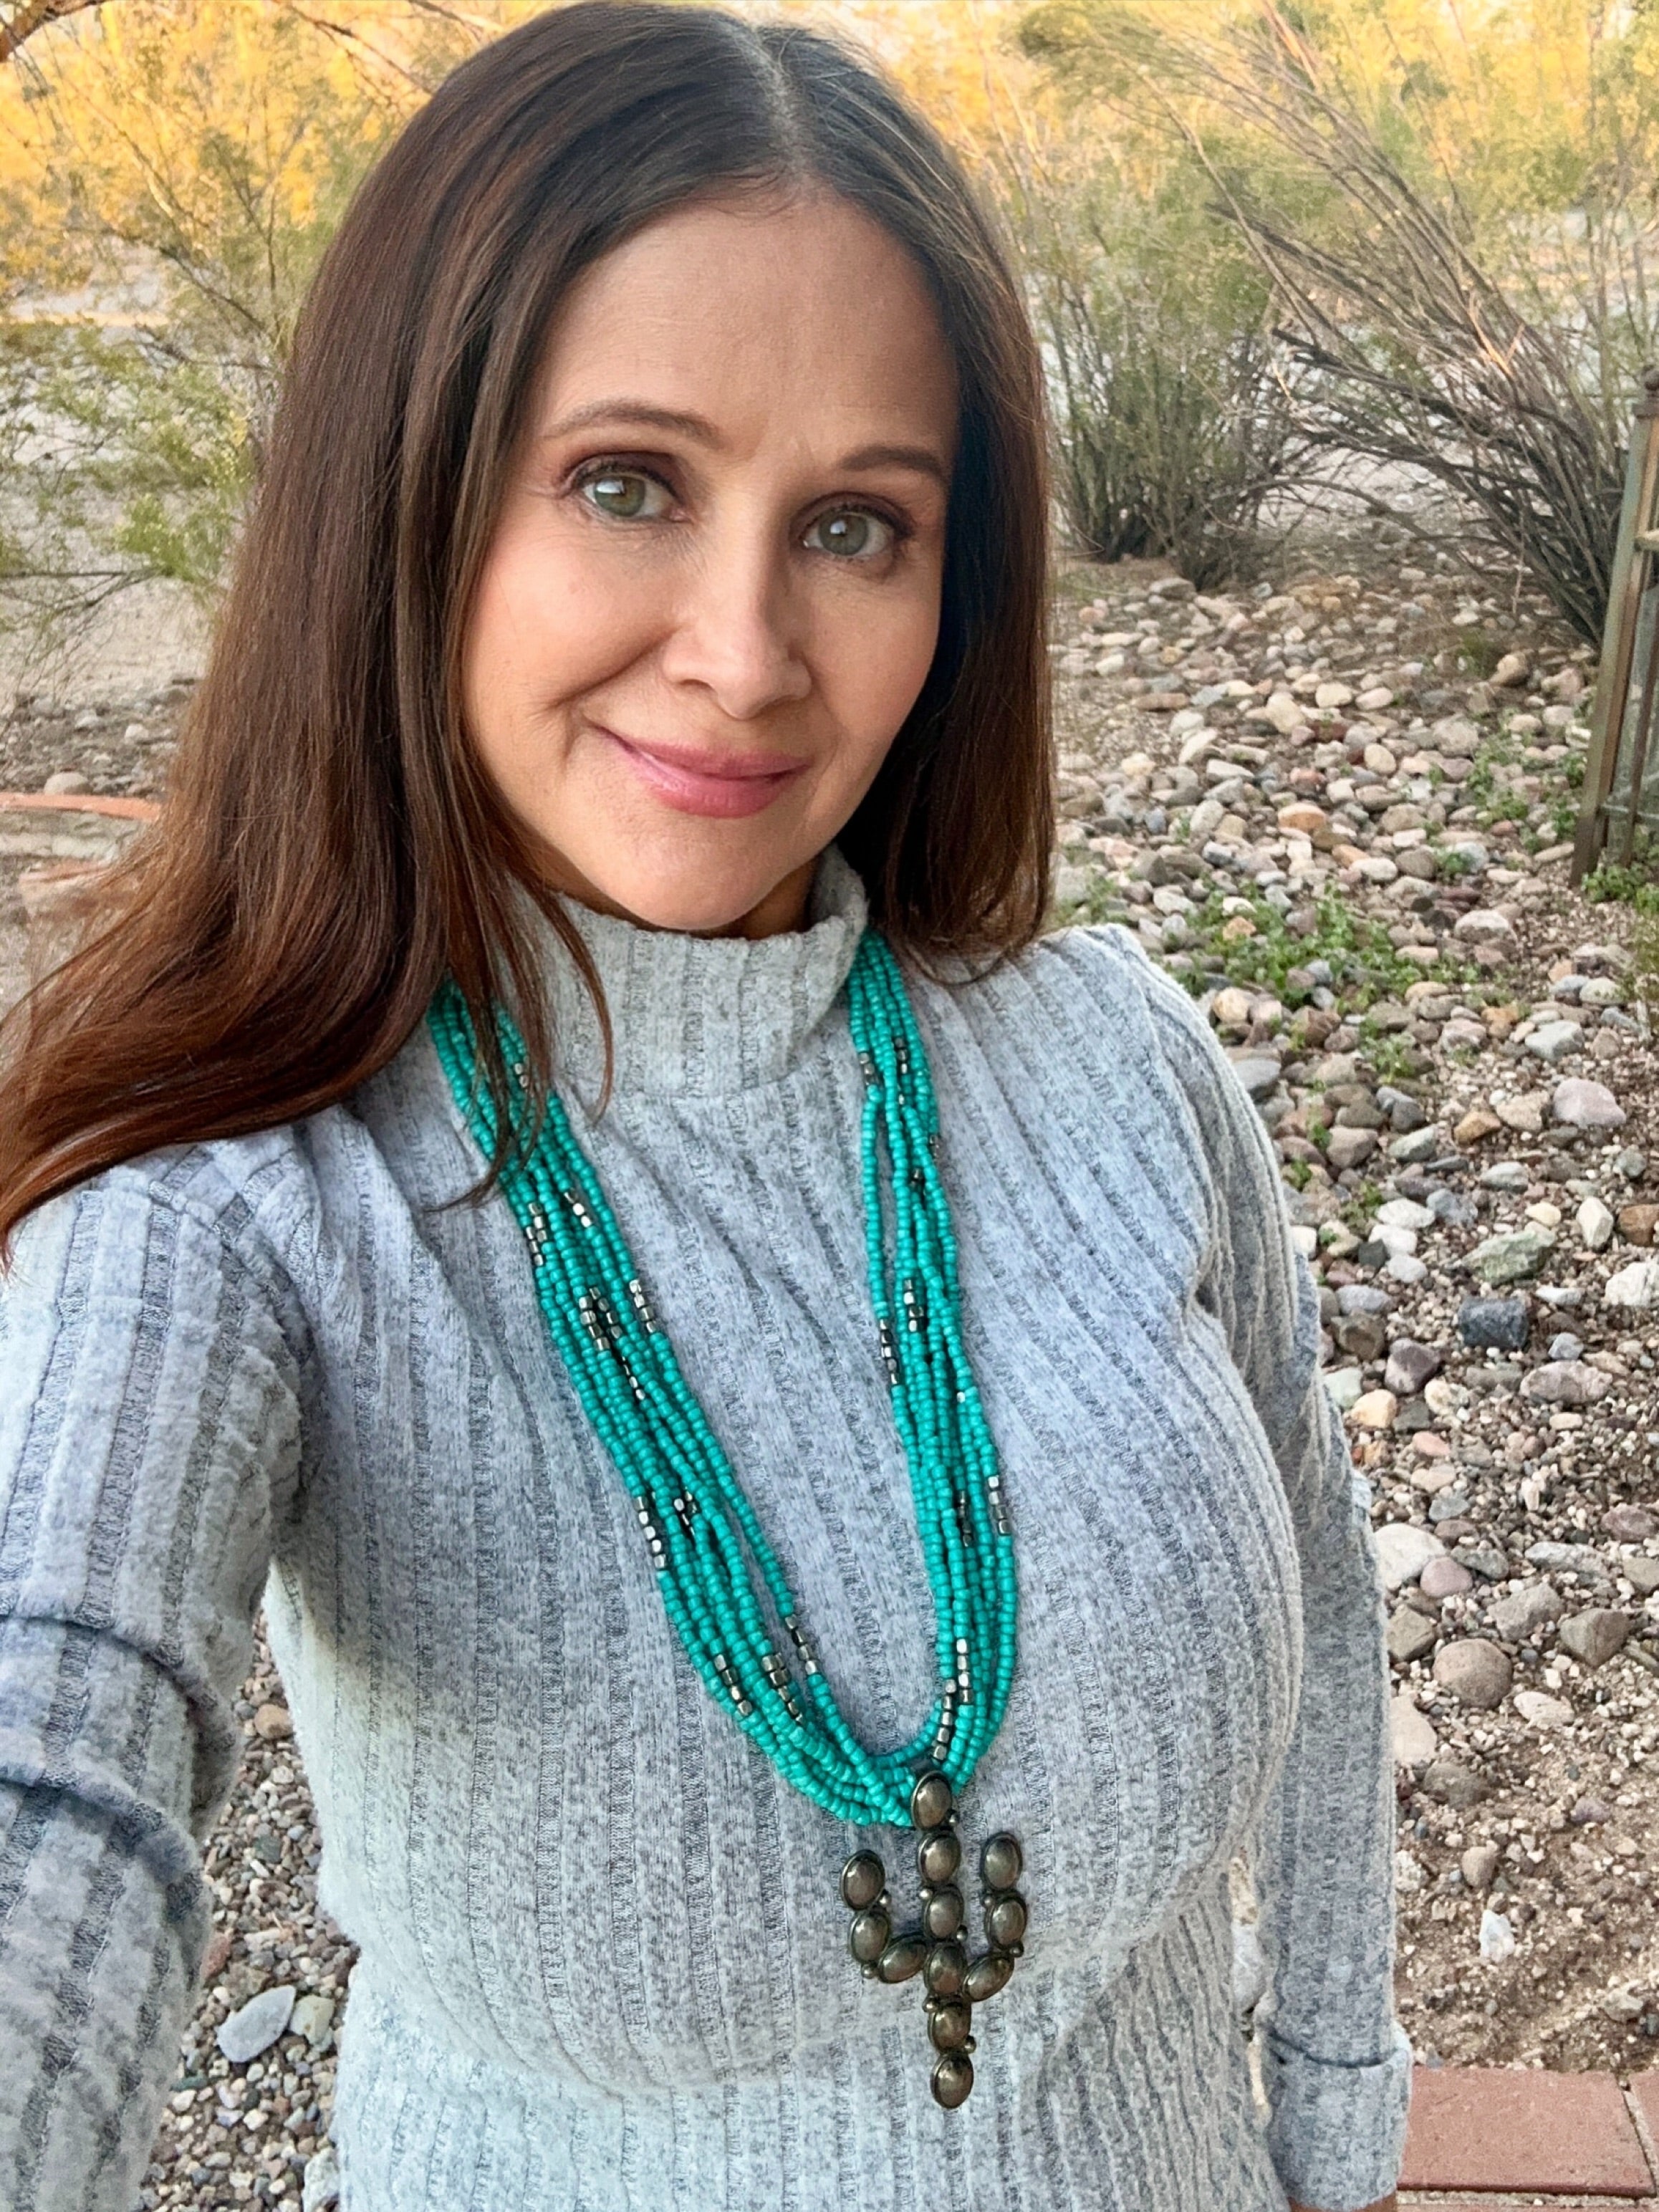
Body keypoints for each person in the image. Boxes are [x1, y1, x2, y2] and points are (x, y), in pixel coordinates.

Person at [0, 6, 1410, 2208]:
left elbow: (1317, 1569)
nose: (747, 653)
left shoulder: (1110, 1052)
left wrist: (1334, 2096)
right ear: (413, 498)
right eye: (626, 483)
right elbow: (47, 1760)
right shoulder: (231, 1212)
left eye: (858, 522)